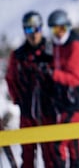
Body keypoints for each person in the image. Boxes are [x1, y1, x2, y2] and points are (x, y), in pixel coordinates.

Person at [5, 11, 56, 168]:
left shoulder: (51, 51)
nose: (33, 34)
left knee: (51, 155)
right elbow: (10, 78)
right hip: (27, 112)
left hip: (48, 111)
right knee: (27, 154)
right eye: (28, 30)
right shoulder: (18, 55)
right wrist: (18, 99)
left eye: (36, 29)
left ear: (41, 29)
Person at [46, 9, 79, 168]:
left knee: (59, 142)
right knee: (72, 142)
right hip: (66, 102)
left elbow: (74, 78)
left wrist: (53, 74)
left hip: (76, 103)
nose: (58, 33)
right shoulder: (57, 46)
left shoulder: (74, 47)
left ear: (67, 27)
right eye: (54, 29)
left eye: (62, 28)